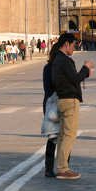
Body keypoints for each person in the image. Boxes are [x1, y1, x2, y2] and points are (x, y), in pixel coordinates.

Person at [51, 33, 95, 180]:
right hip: (70, 101)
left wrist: (85, 73)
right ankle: (63, 168)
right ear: (67, 44)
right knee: (69, 135)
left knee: (63, 136)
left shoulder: (56, 59)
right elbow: (75, 78)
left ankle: (60, 166)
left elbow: (69, 79)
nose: (74, 48)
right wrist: (86, 68)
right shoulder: (64, 60)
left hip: (62, 99)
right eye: (74, 45)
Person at [41, 42, 61, 177]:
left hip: (48, 103)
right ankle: (62, 166)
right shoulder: (54, 68)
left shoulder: (47, 67)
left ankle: (49, 168)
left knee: (53, 137)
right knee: (62, 137)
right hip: (55, 103)